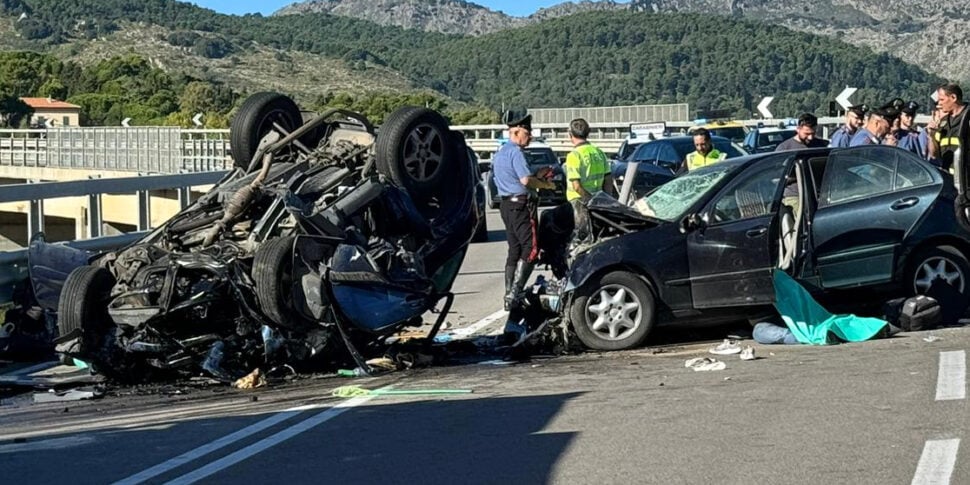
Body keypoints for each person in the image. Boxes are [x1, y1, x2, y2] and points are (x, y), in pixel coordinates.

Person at [493, 110, 556, 311]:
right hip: (521, 205)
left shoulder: (500, 153)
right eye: (528, 134)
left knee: (515, 249)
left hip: (506, 204)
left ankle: (509, 292)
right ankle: (515, 292)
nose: (530, 138)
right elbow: (525, 180)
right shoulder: (516, 152)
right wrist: (545, 185)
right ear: (517, 132)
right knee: (531, 249)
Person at [564, 118, 613, 238]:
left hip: (579, 203)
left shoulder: (574, 155)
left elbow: (576, 186)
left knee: (581, 238)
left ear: (570, 135)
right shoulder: (599, 153)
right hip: (599, 201)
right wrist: (606, 200)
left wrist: (589, 200)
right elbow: (608, 180)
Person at [926, 83, 969, 174]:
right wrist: (931, 135)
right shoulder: (942, 123)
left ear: (953, 97)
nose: (939, 103)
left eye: (942, 99)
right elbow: (933, 154)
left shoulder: (967, 117)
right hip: (949, 178)